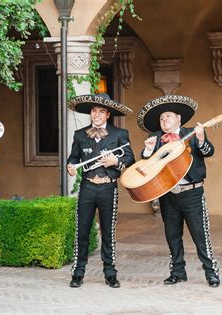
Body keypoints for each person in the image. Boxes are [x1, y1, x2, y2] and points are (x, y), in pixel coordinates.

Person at [137, 95, 220, 287]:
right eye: (161, 118)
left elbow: (209, 152)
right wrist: (148, 151)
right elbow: (145, 164)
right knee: (172, 236)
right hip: (167, 195)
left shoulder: (192, 133)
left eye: (167, 116)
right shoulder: (155, 138)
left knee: (201, 235)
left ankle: (211, 273)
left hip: (192, 192)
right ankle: (177, 272)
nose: (164, 120)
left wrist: (200, 139)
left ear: (179, 118)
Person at [66, 94, 135, 288]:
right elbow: (73, 158)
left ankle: (110, 272)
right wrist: (70, 166)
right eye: (94, 111)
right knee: (82, 231)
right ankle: (78, 272)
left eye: (101, 111)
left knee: (108, 231)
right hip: (87, 187)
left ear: (108, 114)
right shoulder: (80, 134)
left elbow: (130, 159)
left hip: (108, 187)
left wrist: (116, 161)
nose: (96, 114)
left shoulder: (119, 134)